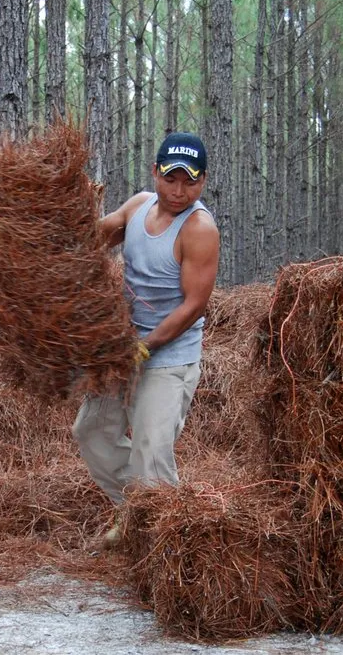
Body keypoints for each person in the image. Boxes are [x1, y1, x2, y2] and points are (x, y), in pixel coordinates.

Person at [72, 132, 220, 545]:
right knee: (93, 432)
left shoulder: (199, 229)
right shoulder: (138, 207)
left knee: (152, 451)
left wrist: (144, 347)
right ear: (155, 172)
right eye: (170, 179)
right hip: (124, 350)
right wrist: (74, 212)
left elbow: (193, 306)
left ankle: (166, 548)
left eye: (189, 182)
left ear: (203, 181)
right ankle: (138, 511)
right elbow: (98, 237)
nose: (178, 190)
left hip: (168, 356)